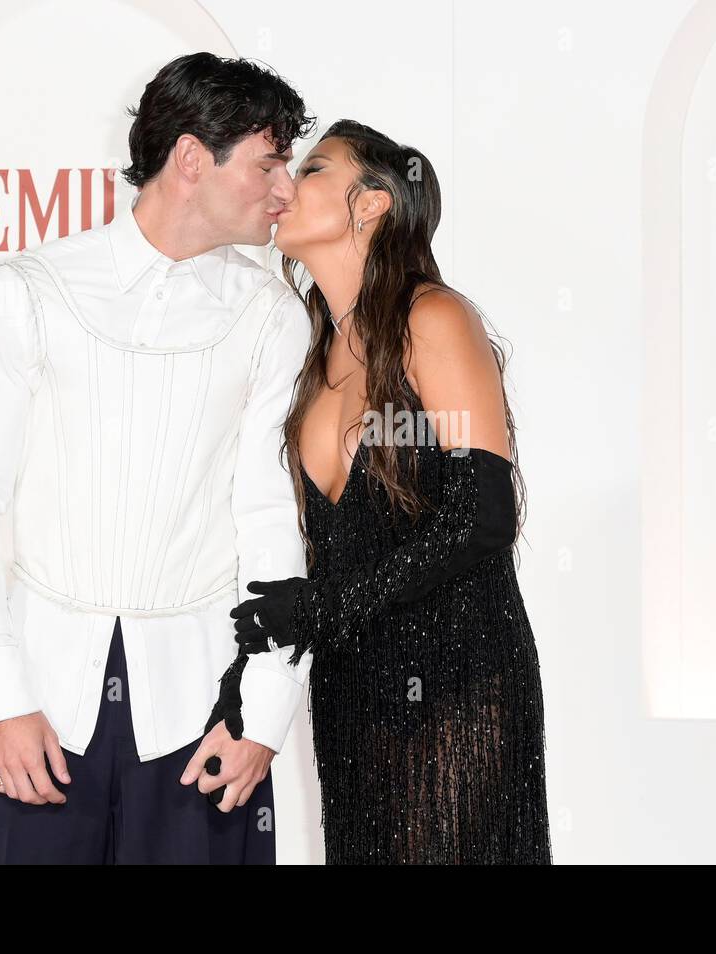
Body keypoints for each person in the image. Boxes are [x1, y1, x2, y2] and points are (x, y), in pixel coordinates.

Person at [0, 52, 316, 863]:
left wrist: (265, 708)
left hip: (208, 722)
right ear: (189, 159)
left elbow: (271, 520)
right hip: (38, 708)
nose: (287, 189)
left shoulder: (273, 317)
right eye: (270, 162)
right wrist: (1, 699)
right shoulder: (28, 291)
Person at [205, 119, 553, 863]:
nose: (287, 186)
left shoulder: (434, 319)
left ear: (370, 206)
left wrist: (317, 610)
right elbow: (309, 553)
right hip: (352, 696)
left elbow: (481, 516)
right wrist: (242, 684)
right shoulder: (309, 347)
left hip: (460, 685)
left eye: (316, 169)